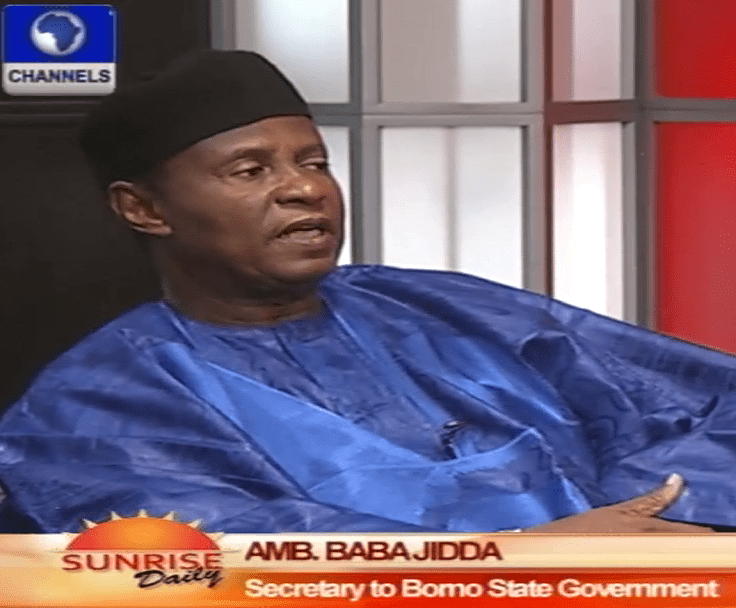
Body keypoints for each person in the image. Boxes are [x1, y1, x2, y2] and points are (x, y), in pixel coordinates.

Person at [0, 50, 734, 535]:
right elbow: (219, 558)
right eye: (251, 171)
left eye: (313, 162)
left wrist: (645, 516)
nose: (304, 190)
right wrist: (528, 557)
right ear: (144, 209)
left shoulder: (445, 308)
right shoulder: (90, 408)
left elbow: (705, 403)